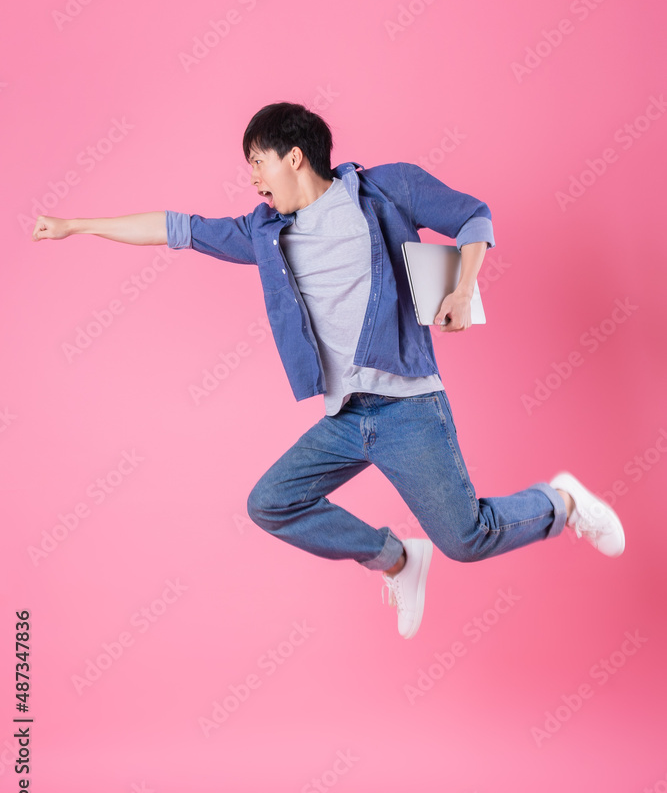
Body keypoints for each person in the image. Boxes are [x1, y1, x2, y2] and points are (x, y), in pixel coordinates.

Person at [31, 101, 625, 640]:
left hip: (407, 407)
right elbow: (176, 229)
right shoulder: (264, 232)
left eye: (258, 164)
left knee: (467, 540)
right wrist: (79, 225)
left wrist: (463, 290)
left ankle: (561, 503)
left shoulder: (386, 190)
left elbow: (474, 217)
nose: (254, 180)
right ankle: (395, 558)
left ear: (294, 157)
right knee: (271, 502)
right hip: (345, 417)